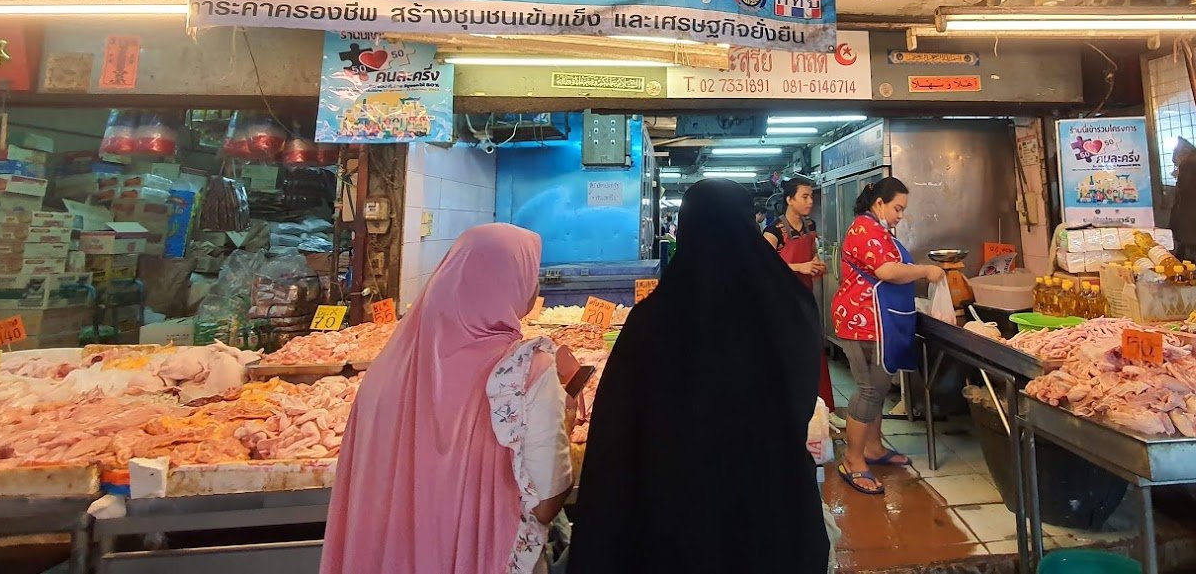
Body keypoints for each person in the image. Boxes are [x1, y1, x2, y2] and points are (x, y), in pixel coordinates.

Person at [570, 180, 828, 574]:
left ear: (687, 230)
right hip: (769, 499)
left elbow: (618, 424)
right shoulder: (788, 307)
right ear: (748, 223)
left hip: (674, 507)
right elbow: (802, 391)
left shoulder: (651, 320)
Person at [321, 223, 575, 574]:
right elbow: (546, 502)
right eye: (531, 274)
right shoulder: (525, 371)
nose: (535, 286)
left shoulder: (385, 371)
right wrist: (566, 419)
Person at [831, 177, 945, 496]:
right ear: (879, 203)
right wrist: (925, 271)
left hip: (878, 319)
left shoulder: (878, 229)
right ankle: (853, 461)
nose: (900, 215)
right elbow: (886, 271)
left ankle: (873, 448)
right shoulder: (864, 228)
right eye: (897, 208)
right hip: (862, 320)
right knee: (869, 390)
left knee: (878, 389)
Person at [764, 176, 837, 415]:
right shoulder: (773, 231)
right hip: (781, 302)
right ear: (789, 199)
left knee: (813, 351)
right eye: (804, 197)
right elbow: (763, 266)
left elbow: (812, 253)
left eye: (811, 196)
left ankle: (820, 409)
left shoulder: (810, 226)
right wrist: (799, 267)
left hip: (805, 297)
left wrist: (816, 264)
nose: (810, 201)